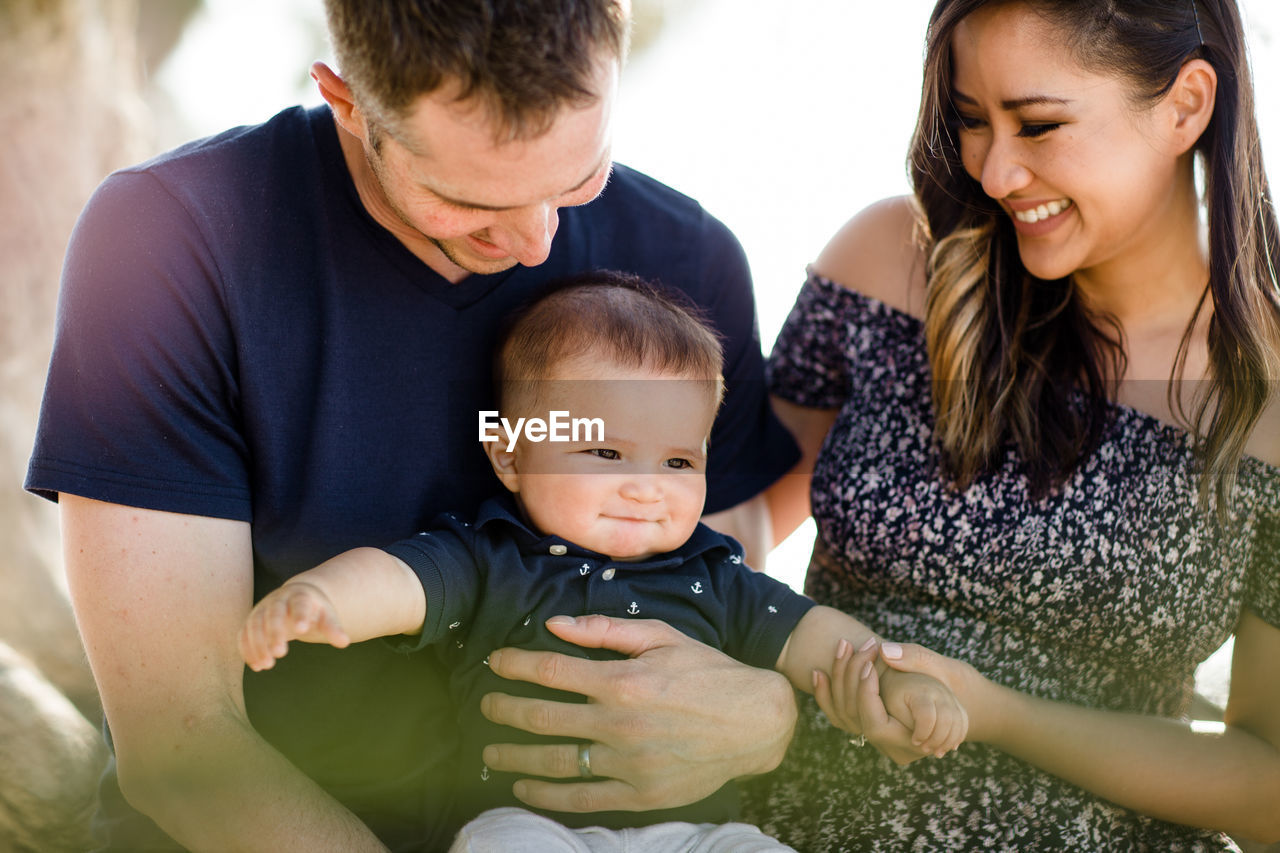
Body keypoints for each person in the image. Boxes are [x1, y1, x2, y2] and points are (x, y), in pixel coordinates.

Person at [24, 2, 804, 849]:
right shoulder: (172, 240)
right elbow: (183, 748)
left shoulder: (686, 261)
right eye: (465, 201)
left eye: (580, 176)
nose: (539, 242)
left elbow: (716, 616)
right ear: (345, 100)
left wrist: (774, 716)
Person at [746, 0, 1280, 850]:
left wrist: (997, 715)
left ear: (1186, 104)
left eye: (1038, 125)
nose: (993, 173)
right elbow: (727, 513)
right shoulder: (889, 262)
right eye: (969, 121)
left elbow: (1267, 783)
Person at [238, 276, 967, 851]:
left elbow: (816, 637)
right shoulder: (494, 555)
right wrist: (320, 599)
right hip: (526, 825)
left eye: (679, 459)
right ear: (510, 454)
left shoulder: (713, 571)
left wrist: (891, 677)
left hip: (698, 834)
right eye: (606, 452)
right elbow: (399, 581)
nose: (647, 482)